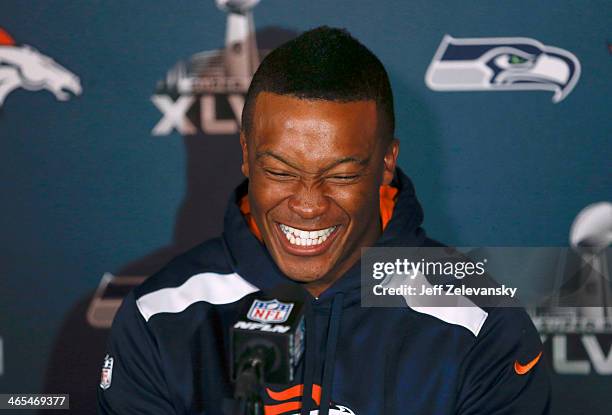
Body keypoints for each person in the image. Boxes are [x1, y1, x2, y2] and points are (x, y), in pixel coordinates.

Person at [97, 26, 550, 415]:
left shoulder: (484, 322)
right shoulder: (161, 316)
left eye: (342, 175)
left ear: (386, 164)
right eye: (279, 172)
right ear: (245, 157)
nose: (309, 204)